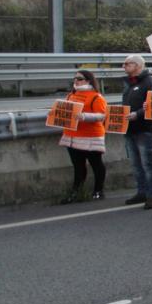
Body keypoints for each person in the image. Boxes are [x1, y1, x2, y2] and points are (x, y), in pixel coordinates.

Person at [58, 69, 108, 203]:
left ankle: (98, 191)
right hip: (72, 135)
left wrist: (84, 116)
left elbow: (102, 115)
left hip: (91, 135)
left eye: (79, 79)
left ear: (88, 80)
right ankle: (75, 192)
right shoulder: (71, 95)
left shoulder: (96, 97)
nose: (76, 81)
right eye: (75, 78)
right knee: (78, 166)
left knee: (96, 164)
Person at [120, 54, 152, 209]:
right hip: (130, 129)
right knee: (136, 164)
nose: (123, 67)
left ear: (137, 65)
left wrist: (137, 114)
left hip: (145, 129)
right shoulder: (129, 83)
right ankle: (141, 191)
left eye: (127, 64)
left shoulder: (150, 81)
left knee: (147, 163)